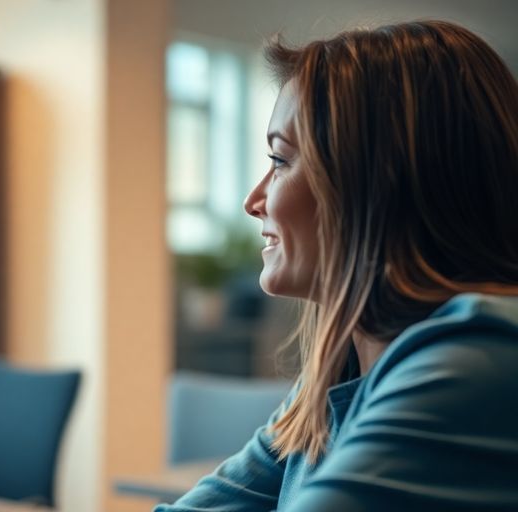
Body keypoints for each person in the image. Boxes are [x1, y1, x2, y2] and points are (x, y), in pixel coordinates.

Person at [157, 20, 518, 511]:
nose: (253, 200)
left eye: (280, 160)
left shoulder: (474, 363)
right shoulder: (340, 368)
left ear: (373, 183)